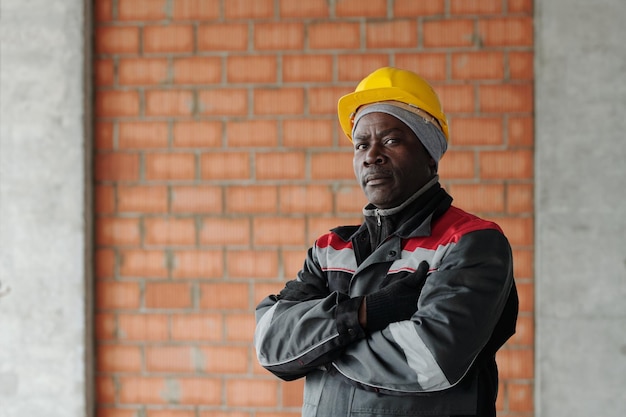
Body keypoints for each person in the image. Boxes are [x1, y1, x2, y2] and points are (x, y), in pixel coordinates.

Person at [254, 67, 518, 417]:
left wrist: (316, 349)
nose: (371, 155)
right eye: (361, 144)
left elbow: (431, 360)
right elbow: (270, 344)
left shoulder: (472, 242)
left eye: (391, 140)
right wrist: (366, 314)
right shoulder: (330, 248)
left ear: (428, 152)